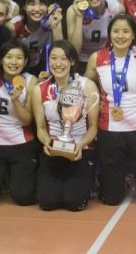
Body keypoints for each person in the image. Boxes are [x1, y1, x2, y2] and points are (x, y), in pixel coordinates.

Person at [85, 14, 136, 206]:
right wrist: (97, 104)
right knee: (111, 199)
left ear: (134, 34)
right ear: (109, 34)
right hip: (109, 130)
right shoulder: (97, 58)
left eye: (126, 31)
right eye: (116, 31)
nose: (121, 36)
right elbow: (85, 87)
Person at [31, 40, 99, 211]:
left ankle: (85, 183)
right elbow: (40, 128)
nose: (58, 63)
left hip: (80, 151)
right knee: (47, 203)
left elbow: (93, 127)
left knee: (73, 203)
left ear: (72, 61)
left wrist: (80, 145)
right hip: (53, 150)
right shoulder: (40, 89)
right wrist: (47, 143)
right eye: (53, 58)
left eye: (63, 58)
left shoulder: (87, 86)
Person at [0, 40, 39, 206]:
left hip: (21, 143)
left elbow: (27, 120)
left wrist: (16, 101)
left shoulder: (31, 81)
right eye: (9, 57)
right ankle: (1, 178)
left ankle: (15, 178)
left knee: (23, 198)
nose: (13, 62)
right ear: (1, 59)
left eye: (19, 58)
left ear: (25, 61)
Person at [67, 0, 119, 73]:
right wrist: (79, 17)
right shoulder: (73, 11)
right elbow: (74, 50)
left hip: (105, 59)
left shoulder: (115, 9)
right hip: (80, 61)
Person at [12, 0, 64, 76]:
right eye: (32, 4)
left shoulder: (51, 22)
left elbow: (59, 50)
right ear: (24, 6)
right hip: (16, 66)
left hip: (39, 65)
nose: (37, 9)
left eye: (41, 4)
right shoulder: (14, 25)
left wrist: (56, 27)